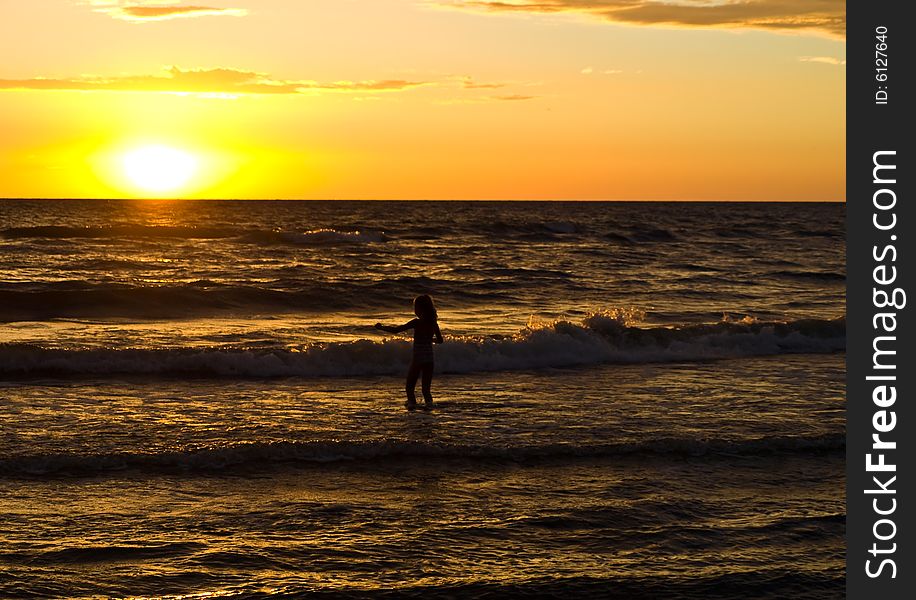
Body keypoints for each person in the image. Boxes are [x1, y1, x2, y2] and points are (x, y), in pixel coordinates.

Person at [375, 295, 443, 409]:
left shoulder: (416, 323)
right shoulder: (433, 323)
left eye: (415, 307)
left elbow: (397, 330)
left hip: (418, 359)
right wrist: (430, 339)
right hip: (429, 359)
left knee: (409, 388)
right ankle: (429, 410)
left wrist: (382, 328)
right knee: (426, 390)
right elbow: (440, 340)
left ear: (420, 309)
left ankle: (412, 408)